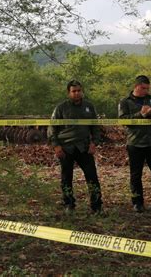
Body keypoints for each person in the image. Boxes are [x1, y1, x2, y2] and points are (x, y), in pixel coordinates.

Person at [48, 80, 103, 214]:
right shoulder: (61, 108)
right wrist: (56, 146)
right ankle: (69, 204)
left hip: (84, 147)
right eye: (74, 91)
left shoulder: (89, 107)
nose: (77, 93)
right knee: (66, 178)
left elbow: (95, 127)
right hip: (66, 148)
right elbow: (51, 129)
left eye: (79, 90)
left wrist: (94, 143)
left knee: (92, 177)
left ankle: (96, 206)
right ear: (69, 93)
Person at [118, 75, 151, 212]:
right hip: (135, 142)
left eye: (148, 88)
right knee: (135, 174)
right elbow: (123, 120)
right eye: (143, 88)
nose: (146, 91)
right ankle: (137, 202)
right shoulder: (125, 102)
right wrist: (141, 114)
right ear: (136, 86)